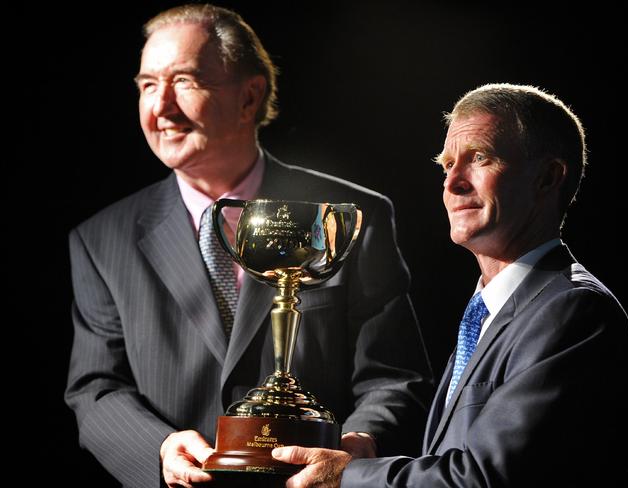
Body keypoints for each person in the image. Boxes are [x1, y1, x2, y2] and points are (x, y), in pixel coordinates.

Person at [64, 4, 432, 487]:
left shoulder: (352, 216)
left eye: (186, 81)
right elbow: (95, 387)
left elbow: (394, 376)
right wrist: (158, 449)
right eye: (148, 85)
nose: (162, 107)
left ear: (250, 96)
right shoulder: (101, 239)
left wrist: (357, 446)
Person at [272, 83, 628, 487]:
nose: (452, 184)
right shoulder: (490, 309)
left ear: (548, 178)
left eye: (479, 158)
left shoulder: (571, 311)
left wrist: (350, 477)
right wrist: (366, 448)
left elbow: (484, 477)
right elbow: (453, 456)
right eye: (447, 165)